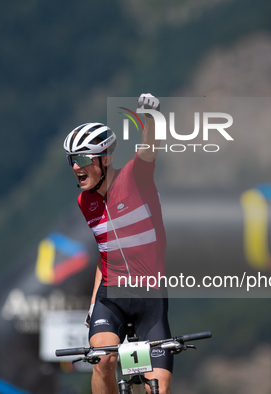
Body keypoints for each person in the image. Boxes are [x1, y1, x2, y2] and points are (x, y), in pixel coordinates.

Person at [63, 94, 173, 394]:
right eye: (72, 159)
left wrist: (152, 117)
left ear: (105, 158)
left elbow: (150, 149)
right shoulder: (85, 201)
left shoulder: (135, 178)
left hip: (150, 297)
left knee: (159, 388)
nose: (76, 167)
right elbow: (106, 254)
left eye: (84, 158)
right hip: (111, 298)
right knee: (103, 360)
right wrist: (91, 304)